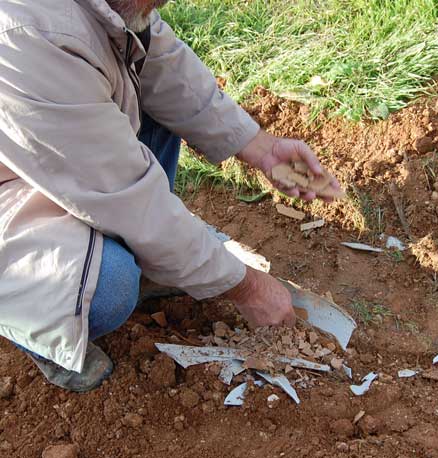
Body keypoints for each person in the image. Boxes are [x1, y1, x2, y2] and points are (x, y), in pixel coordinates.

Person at [0, 0, 341, 392]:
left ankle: (151, 256)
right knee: (106, 286)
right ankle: (39, 329)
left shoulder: (109, 7)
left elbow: (160, 62)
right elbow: (131, 201)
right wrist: (247, 287)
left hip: (57, 151)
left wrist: (261, 147)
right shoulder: (24, 37)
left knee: (149, 96)